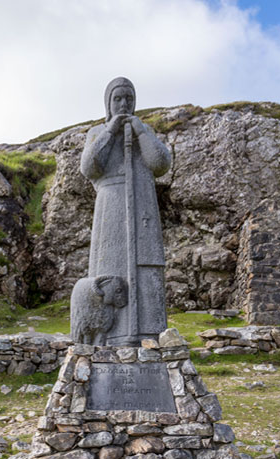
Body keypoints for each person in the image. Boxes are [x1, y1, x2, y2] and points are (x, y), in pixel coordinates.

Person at [79, 77, 171, 345]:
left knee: (147, 265)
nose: (123, 104)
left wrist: (141, 132)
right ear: (108, 103)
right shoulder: (97, 132)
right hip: (111, 205)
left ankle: (148, 332)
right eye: (117, 99)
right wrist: (110, 131)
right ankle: (110, 335)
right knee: (109, 267)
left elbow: (160, 163)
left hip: (142, 204)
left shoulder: (144, 130)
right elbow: (89, 167)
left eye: (129, 98)